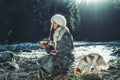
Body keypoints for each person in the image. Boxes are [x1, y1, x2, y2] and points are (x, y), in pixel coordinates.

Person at [38, 14, 74, 80]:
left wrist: (58, 51)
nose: (52, 24)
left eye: (54, 22)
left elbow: (71, 48)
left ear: (59, 23)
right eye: (52, 23)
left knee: (48, 64)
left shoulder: (65, 34)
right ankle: (57, 75)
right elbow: (51, 50)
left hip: (66, 58)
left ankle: (63, 73)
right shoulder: (55, 34)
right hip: (58, 56)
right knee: (41, 62)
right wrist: (47, 47)